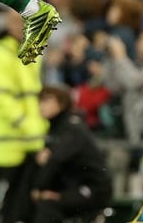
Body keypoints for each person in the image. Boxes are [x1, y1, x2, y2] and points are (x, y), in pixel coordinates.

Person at [0, 10, 48, 223]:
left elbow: (33, 97)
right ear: (8, 23)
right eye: (18, 21)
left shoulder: (30, 53)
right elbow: (0, 101)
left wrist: (38, 132)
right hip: (4, 150)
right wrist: (31, 127)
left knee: (19, 211)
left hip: (29, 146)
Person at [28, 85, 112, 223]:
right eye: (39, 101)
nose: (41, 105)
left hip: (93, 189)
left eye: (46, 100)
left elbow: (56, 160)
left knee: (47, 204)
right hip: (71, 187)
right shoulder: (55, 128)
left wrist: (38, 188)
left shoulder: (72, 128)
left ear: (62, 103)